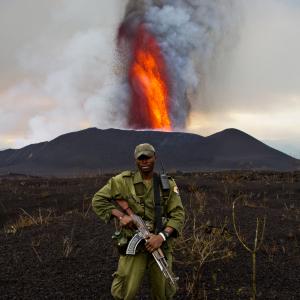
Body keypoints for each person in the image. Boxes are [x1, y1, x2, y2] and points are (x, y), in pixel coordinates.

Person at [92, 143, 185, 300]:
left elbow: (178, 215)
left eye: (148, 157)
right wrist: (122, 216)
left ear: (154, 157)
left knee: (164, 292)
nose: (144, 161)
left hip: (159, 244)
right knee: (125, 291)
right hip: (133, 246)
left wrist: (161, 237)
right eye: (141, 158)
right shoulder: (122, 181)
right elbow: (98, 200)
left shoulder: (167, 184)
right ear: (136, 160)